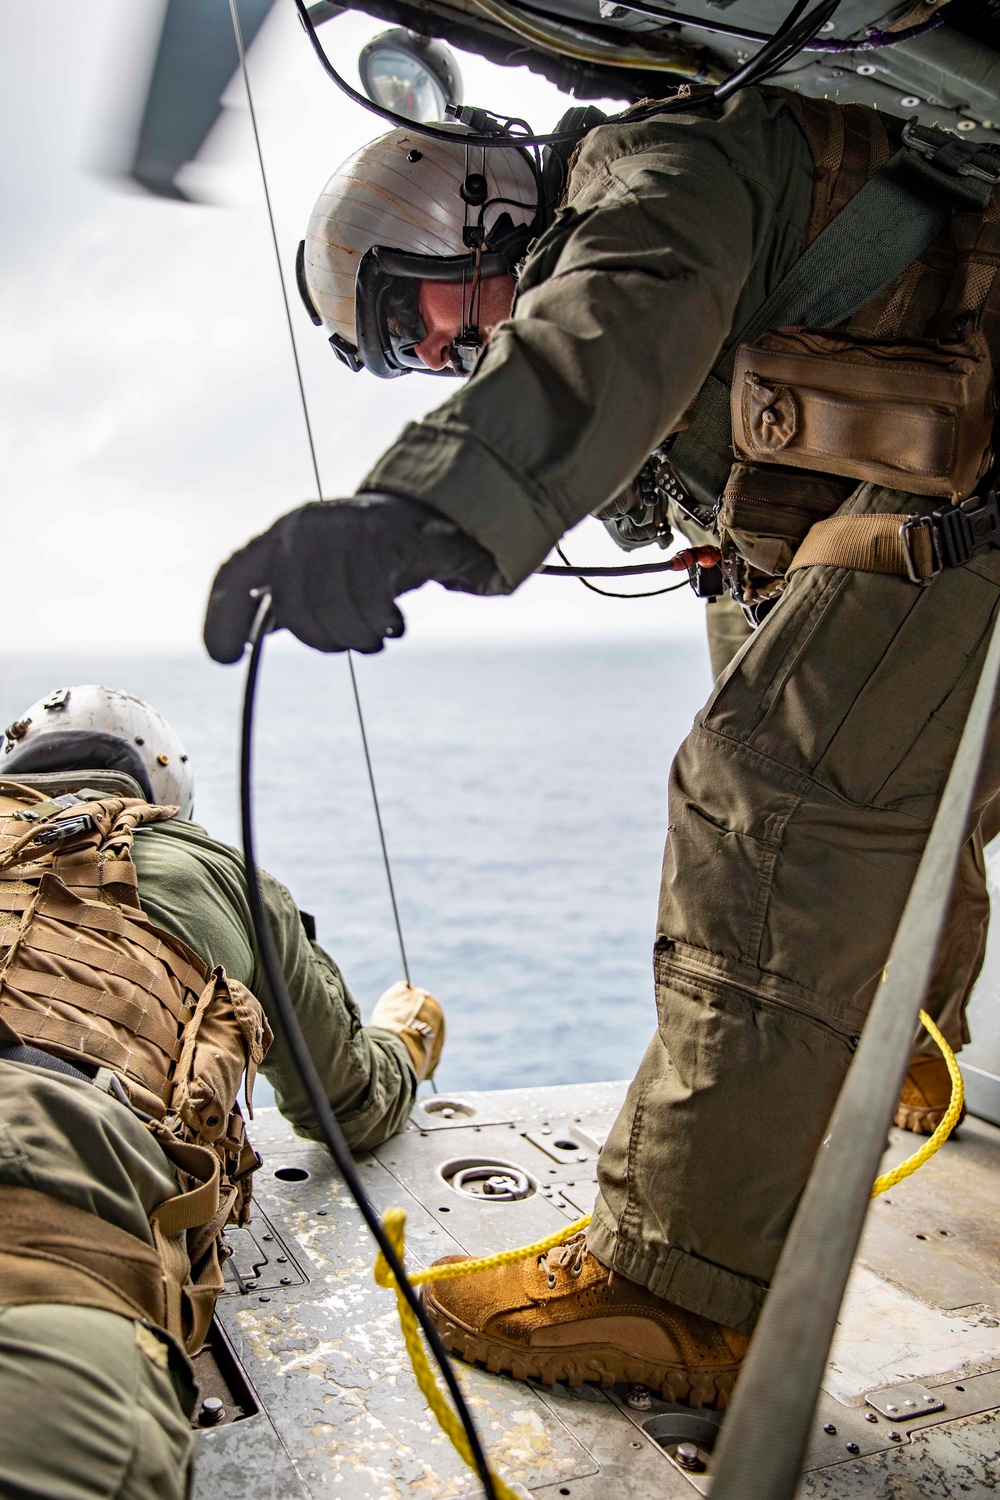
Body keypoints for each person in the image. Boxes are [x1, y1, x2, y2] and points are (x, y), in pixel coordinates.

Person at [205, 86, 1000, 1408]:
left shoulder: (661, 165)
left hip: (969, 489)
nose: (445, 349)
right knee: (793, 678)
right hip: (954, 480)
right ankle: (887, 1026)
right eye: (409, 352)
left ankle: (679, 1293)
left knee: (776, 792)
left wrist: (414, 516)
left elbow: (619, 313)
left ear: (471, 207)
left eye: (421, 310)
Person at [0, 683, 444, 1498]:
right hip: (56, 1224)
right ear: (162, 790)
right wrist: (408, 1042)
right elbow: (347, 1104)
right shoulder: (215, 872)